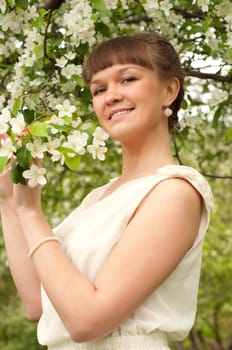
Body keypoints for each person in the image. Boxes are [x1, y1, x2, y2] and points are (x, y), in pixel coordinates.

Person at [0, 32, 214, 350]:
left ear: (169, 90)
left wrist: (32, 212)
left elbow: (87, 320)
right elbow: (38, 304)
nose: (110, 96)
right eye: (99, 89)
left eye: (127, 79)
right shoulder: (97, 200)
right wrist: (9, 200)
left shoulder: (176, 192)